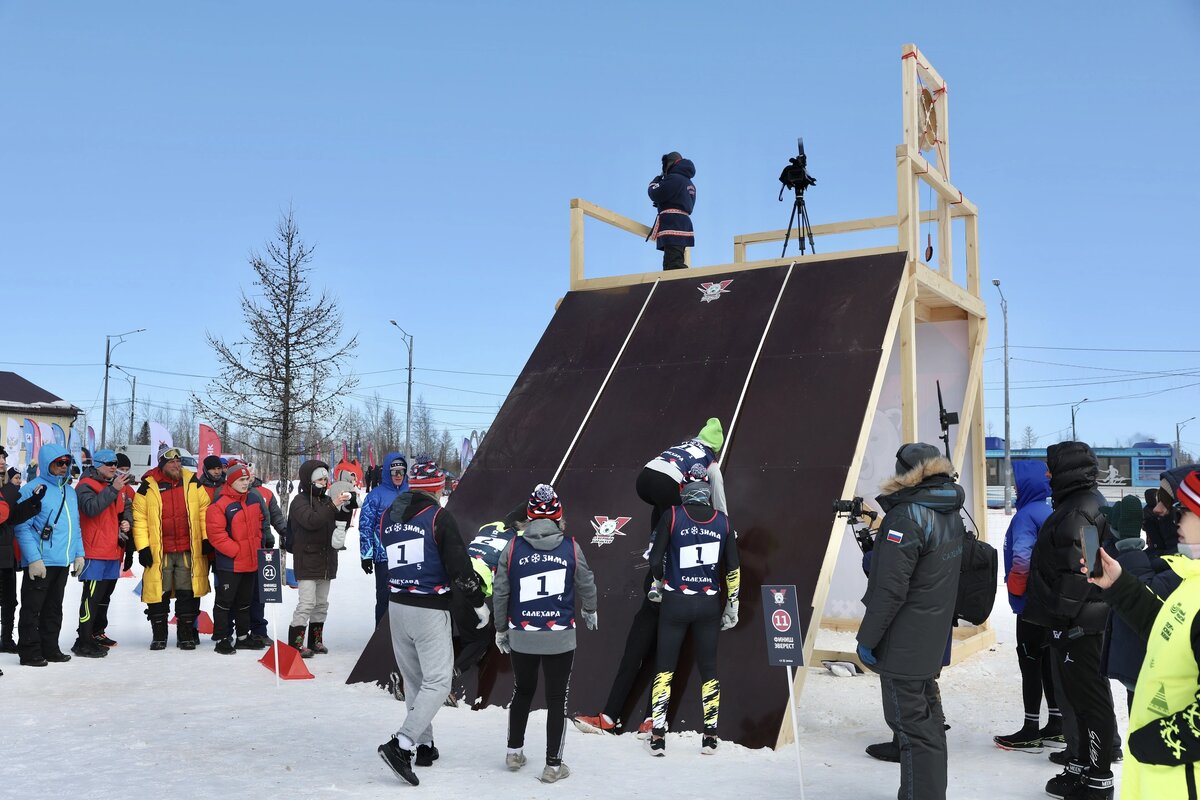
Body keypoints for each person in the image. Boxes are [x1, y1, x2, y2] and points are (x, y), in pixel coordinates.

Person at [855, 443, 966, 800]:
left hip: (905, 643)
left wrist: (868, 638)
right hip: (929, 638)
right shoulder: (947, 510)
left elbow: (890, 589)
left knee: (913, 731)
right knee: (928, 728)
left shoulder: (907, 517)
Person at [1088, 469, 1200, 800]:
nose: (1174, 518)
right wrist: (1119, 586)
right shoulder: (1191, 578)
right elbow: (1168, 632)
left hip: (1183, 778)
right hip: (1164, 778)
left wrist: (1156, 741)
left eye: (1186, 511)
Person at [377, 456, 489, 787]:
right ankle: (402, 744)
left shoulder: (388, 516)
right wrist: (477, 602)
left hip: (396, 605)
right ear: (437, 487)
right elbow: (459, 565)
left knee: (415, 680)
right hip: (427, 606)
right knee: (439, 681)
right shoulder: (438, 516)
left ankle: (424, 746)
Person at [1022, 442, 1118, 800]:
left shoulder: (1080, 510)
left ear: (1066, 470)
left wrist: (1059, 615)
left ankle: (1098, 779)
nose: (1047, 474)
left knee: (1090, 702)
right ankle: (1080, 766)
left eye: (1051, 467)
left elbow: (1085, 571)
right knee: (1078, 699)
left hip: (1081, 624)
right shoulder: (1076, 505)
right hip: (1076, 621)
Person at [493, 484, 597, 783]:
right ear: (558, 515)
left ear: (529, 515)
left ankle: (514, 752)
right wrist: (590, 609)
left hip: (522, 634)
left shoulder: (512, 547)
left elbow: (501, 591)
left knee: (522, 691)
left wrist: (501, 628)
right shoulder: (571, 546)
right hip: (560, 636)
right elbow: (586, 582)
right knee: (556, 698)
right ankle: (553, 766)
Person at [645, 480, 739, 756]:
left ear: (684, 494)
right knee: (709, 669)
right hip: (708, 603)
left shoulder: (673, 515)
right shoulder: (723, 521)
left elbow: (654, 560)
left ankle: (658, 736)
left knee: (664, 668)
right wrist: (732, 604)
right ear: (707, 496)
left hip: (676, 601)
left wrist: (659, 583)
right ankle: (710, 736)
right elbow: (733, 567)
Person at [994, 460, 1061, 752]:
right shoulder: (1049, 512)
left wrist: (1016, 591)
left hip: (1031, 604)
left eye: (1017, 482)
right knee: (1047, 663)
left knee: (1030, 664)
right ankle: (1057, 725)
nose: (1014, 487)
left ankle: (1030, 729)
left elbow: (1022, 558)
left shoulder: (1025, 516)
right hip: (1050, 603)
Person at [448, 501, 527, 706]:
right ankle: (447, 680)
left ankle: (407, 676)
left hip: (450, 575)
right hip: (471, 585)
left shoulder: (490, 526)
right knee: (478, 641)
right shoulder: (519, 540)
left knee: (441, 635)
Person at [132, 445, 211, 650]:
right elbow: (139, 520)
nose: (176, 465)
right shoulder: (147, 487)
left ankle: (185, 636)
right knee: (159, 593)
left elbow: (204, 511)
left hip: (187, 550)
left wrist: (205, 538)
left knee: (188, 592)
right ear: (161, 465)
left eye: (178, 461)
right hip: (160, 552)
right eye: (171, 462)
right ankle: (159, 636)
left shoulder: (193, 482)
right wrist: (143, 548)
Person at [13, 444, 82, 666]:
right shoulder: (32, 489)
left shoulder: (70, 492)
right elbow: (22, 527)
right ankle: (30, 651)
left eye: (66, 463)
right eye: (58, 463)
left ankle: (50, 647)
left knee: (54, 608)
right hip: (41, 561)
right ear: (47, 464)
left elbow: (75, 526)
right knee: (33, 608)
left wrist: (79, 554)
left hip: (62, 560)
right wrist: (33, 559)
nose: (63, 467)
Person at [71, 449, 131, 657]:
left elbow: (125, 507)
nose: (113, 466)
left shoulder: (112, 485)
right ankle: (83, 640)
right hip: (94, 551)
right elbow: (91, 509)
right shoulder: (85, 485)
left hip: (112, 550)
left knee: (103, 597)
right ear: (96, 465)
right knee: (91, 598)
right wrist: (113, 490)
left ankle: (95, 634)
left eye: (114, 463)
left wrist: (126, 522)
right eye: (108, 463)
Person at [286, 460, 348, 658]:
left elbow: (337, 523)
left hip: (326, 560)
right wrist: (333, 504)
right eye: (319, 479)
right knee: (306, 603)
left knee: (321, 604)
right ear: (309, 481)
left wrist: (346, 507)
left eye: (325, 479)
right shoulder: (299, 501)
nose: (324, 483)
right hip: (307, 560)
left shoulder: (325, 500)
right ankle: (295, 644)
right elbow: (312, 521)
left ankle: (315, 641)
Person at [206, 462, 269, 654]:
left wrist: (259, 547)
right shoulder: (219, 505)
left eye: (247, 479)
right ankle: (222, 638)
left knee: (245, 602)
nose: (245, 483)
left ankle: (243, 637)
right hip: (230, 565)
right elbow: (216, 535)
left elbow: (260, 528)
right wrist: (236, 551)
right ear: (231, 481)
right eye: (241, 480)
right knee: (224, 603)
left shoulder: (254, 500)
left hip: (251, 563)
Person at [1, 446, 43, 654]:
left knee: (10, 601)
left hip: (6, 554)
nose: (2, 461)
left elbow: (12, 517)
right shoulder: (6, 489)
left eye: (3, 458)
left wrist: (32, 503)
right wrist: (10, 490)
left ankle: (6, 640)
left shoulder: (5, 488)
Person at [359, 452, 408, 626]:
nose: (398, 476)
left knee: (407, 598)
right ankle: (380, 637)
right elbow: (365, 526)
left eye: (401, 471)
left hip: (410, 555)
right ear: (387, 472)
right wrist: (366, 555)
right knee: (384, 597)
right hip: (384, 556)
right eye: (394, 472)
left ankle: (405, 638)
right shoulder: (375, 495)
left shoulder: (411, 493)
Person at [647, 151, 696, 271]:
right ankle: (678, 285)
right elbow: (679, 201)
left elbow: (655, 192)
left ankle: (680, 285)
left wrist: (656, 180)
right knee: (674, 258)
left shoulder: (674, 178)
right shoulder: (689, 183)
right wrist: (664, 203)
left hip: (672, 224)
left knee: (673, 264)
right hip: (682, 224)